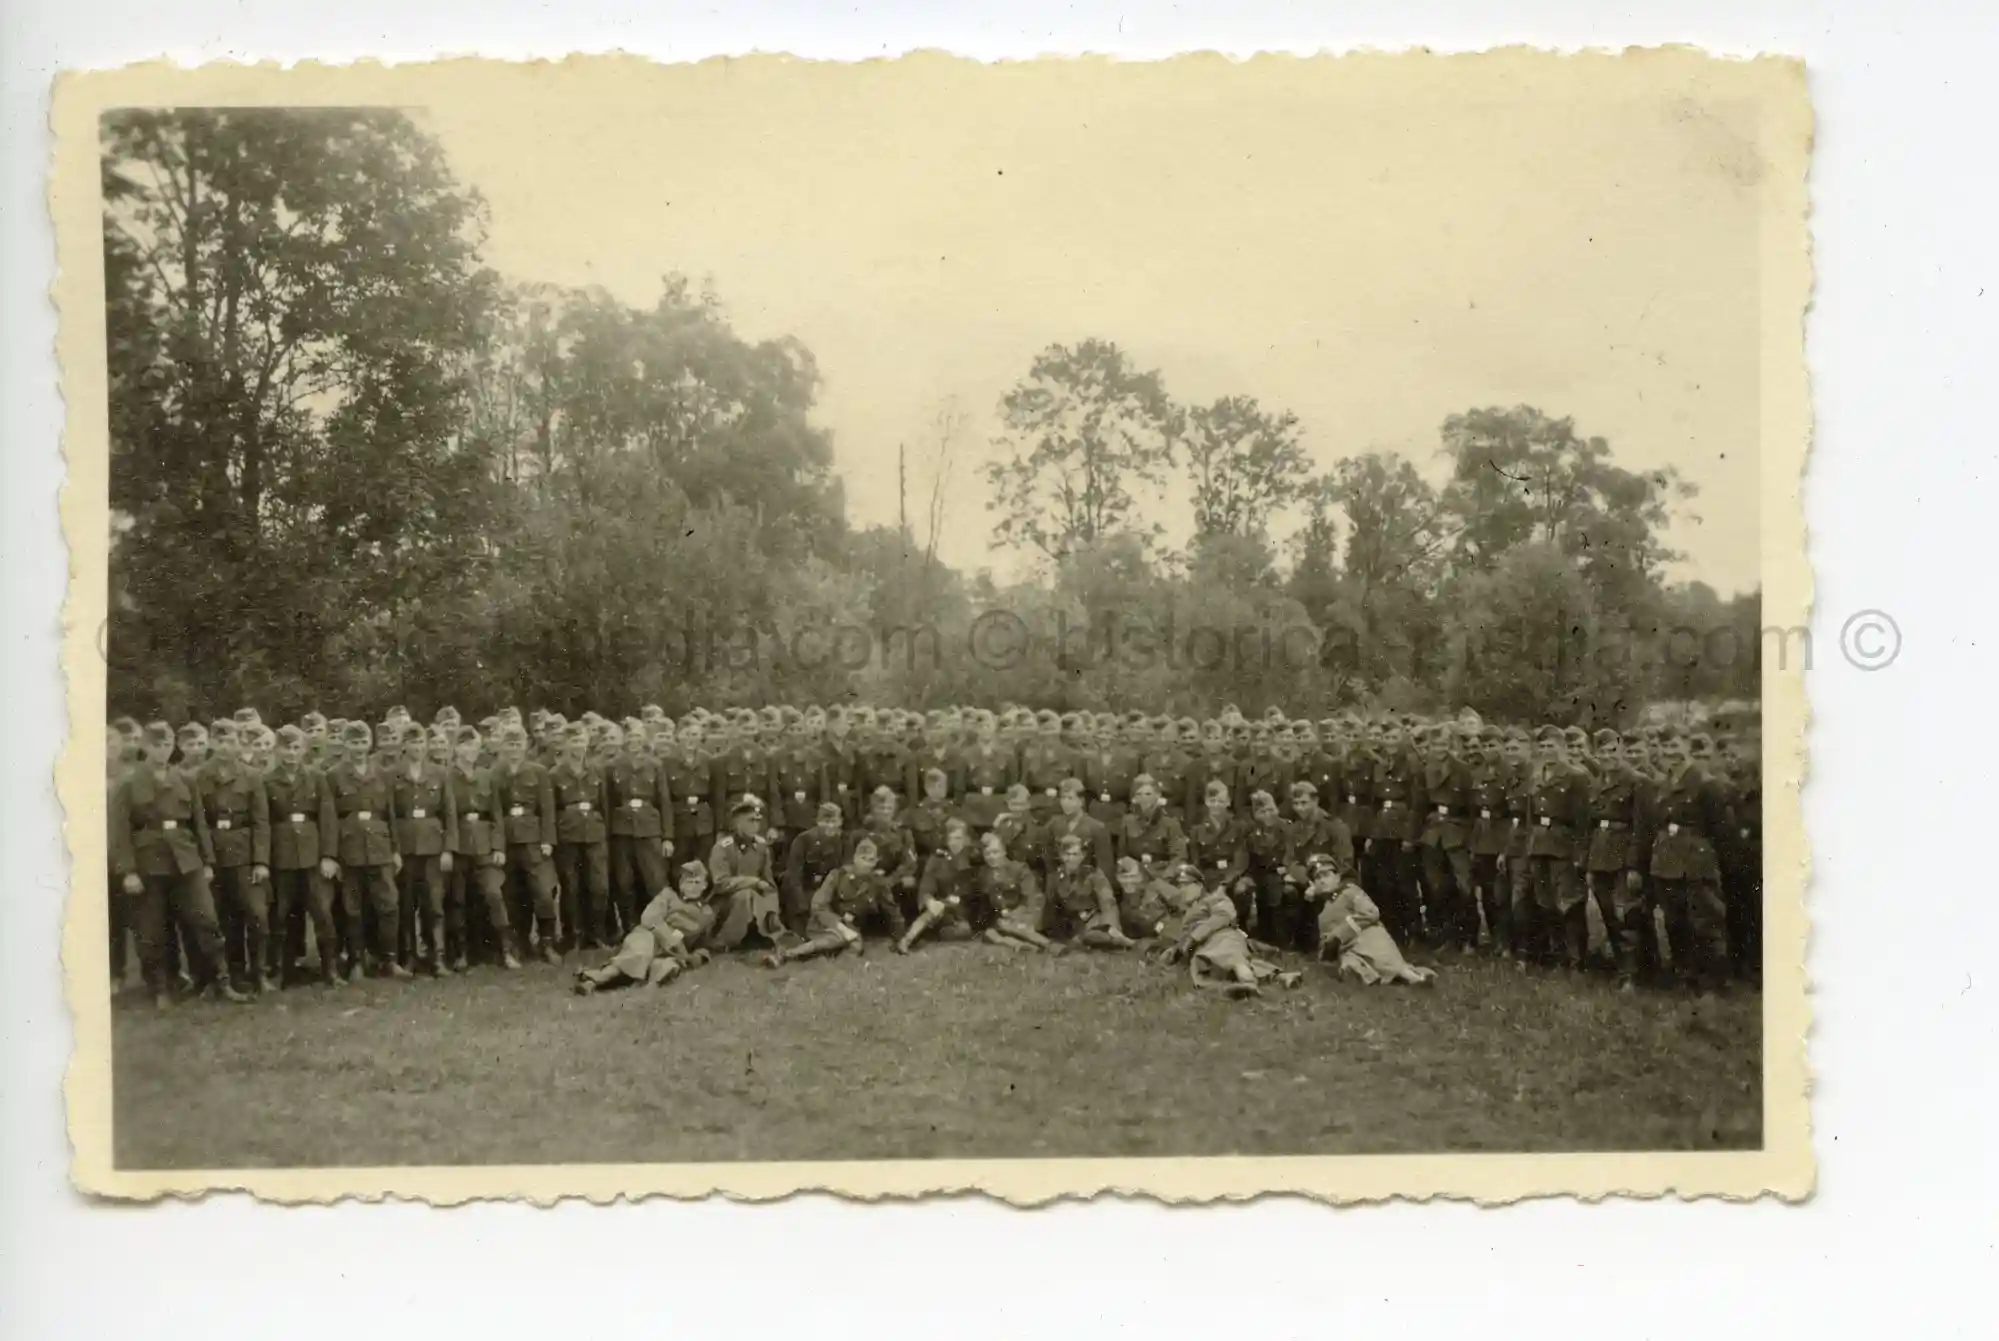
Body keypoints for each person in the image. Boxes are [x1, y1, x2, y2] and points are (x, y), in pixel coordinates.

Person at [109, 721, 247, 1007]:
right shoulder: (128, 784)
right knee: (152, 928)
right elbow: (120, 832)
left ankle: (221, 981)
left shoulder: (184, 779)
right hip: (149, 863)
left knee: (206, 920)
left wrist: (207, 861)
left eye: (166, 744)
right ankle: (160, 987)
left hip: (187, 860)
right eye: (156, 745)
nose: (162, 750)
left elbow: (198, 823)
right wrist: (128, 871)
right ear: (145, 747)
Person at [326, 721, 405, 981]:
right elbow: (330, 818)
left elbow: (389, 814)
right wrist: (333, 854)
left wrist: (395, 850)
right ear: (345, 744)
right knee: (352, 908)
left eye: (362, 742)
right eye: (353, 742)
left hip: (380, 847)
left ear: (369, 743)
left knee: (388, 905)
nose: (358, 748)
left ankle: (389, 960)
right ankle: (357, 961)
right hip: (350, 848)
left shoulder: (382, 773)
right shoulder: (334, 775)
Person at [1147, 862, 1297, 999]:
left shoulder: (1215, 899)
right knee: (1213, 966)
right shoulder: (1186, 911)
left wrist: (1193, 938)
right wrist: (1175, 949)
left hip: (1223, 936)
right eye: (1179, 886)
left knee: (1230, 956)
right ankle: (1280, 978)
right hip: (1204, 948)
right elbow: (1180, 936)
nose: (1182, 890)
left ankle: (1249, 983)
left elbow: (1223, 916)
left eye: (1187, 885)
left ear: (1199, 885)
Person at [199, 719, 274, 992]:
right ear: (211, 743)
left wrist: (261, 861)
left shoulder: (252, 776)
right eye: (219, 741)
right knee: (222, 919)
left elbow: (261, 821)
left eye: (229, 741)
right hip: (214, 857)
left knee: (257, 916)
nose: (224, 747)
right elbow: (197, 822)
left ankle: (259, 973)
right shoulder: (199, 776)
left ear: (238, 743)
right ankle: (232, 973)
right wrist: (205, 861)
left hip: (245, 856)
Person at [574, 860, 718, 993]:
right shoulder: (668, 895)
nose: (691, 887)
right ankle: (596, 981)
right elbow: (649, 918)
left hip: (671, 951)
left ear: (704, 885)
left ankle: (644, 987)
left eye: (696, 882)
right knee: (639, 954)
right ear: (681, 883)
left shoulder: (706, 913)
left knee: (665, 966)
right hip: (648, 935)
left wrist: (694, 957)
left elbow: (704, 943)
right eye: (687, 882)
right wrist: (672, 938)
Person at [761, 835, 905, 967]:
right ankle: (786, 955)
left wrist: (902, 938)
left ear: (876, 862)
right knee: (840, 939)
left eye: (871, 860)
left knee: (855, 947)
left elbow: (892, 911)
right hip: (824, 923)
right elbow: (818, 906)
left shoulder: (877, 883)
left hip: (851, 929)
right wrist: (841, 927)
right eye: (863, 858)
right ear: (854, 857)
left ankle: (821, 959)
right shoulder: (837, 875)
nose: (866, 864)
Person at [1307, 854, 1437, 987]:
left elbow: (1371, 913)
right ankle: (1368, 977)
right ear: (1313, 884)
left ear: (1337, 877)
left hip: (1367, 936)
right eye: (1318, 878)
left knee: (1383, 958)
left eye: (1326, 875)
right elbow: (1325, 941)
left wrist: (1340, 933)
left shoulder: (1350, 891)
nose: (1322, 881)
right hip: (1347, 949)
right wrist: (1327, 949)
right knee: (1350, 965)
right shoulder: (1322, 912)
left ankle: (1413, 977)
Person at [493, 724, 563, 965]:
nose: (514, 748)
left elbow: (547, 809)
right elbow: (495, 812)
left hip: (534, 841)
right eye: (509, 744)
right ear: (502, 746)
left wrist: (548, 840)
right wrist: (498, 846)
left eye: (518, 743)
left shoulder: (539, 771)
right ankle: (521, 942)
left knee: (543, 892)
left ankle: (547, 942)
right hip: (508, 842)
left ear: (526, 745)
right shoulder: (496, 773)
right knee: (512, 893)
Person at [391, 724, 458, 975]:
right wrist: (394, 849)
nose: (418, 748)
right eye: (412, 744)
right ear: (404, 746)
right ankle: (409, 956)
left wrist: (448, 849)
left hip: (433, 847)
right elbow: (390, 815)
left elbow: (449, 813)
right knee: (406, 905)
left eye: (421, 744)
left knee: (434, 904)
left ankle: (437, 957)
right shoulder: (393, 774)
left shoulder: (439, 773)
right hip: (407, 848)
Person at [707, 798, 787, 949]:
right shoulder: (722, 848)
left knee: (756, 900)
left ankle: (762, 935)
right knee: (745, 895)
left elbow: (769, 884)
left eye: (758, 821)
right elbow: (720, 884)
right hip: (725, 904)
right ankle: (723, 942)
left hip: (755, 902)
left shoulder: (762, 846)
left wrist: (772, 911)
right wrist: (754, 882)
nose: (755, 825)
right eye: (751, 821)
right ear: (738, 823)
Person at [897, 817, 981, 952]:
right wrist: (930, 901)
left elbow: (970, 888)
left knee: (964, 930)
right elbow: (926, 885)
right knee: (934, 910)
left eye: (959, 838)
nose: (954, 843)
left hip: (965, 908)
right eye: (951, 838)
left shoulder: (974, 858)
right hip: (940, 906)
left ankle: (931, 932)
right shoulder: (937, 859)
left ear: (966, 839)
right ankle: (907, 940)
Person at [1039, 834, 1133, 948]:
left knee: (1097, 934)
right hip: (1073, 925)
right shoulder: (1055, 877)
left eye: (1075, 854)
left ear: (1082, 856)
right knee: (1085, 937)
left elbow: (1108, 902)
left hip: (1095, 920)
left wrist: (1110, 926)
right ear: (1061, 856)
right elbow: (1049, 907)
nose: (1071, 859)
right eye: (1067, 854)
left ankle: (1114, 938)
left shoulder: (1093, 874)